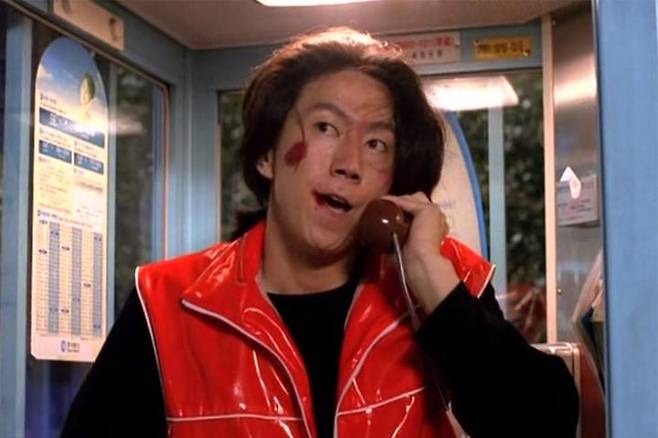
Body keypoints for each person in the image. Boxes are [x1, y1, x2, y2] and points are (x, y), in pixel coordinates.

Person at [62, 27, 579, 438]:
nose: (350, 163)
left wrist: (431, 281)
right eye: (326, 128)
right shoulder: (168, 305)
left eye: (377, 145)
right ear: (267, 155)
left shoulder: (446, 281)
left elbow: (543, 423)